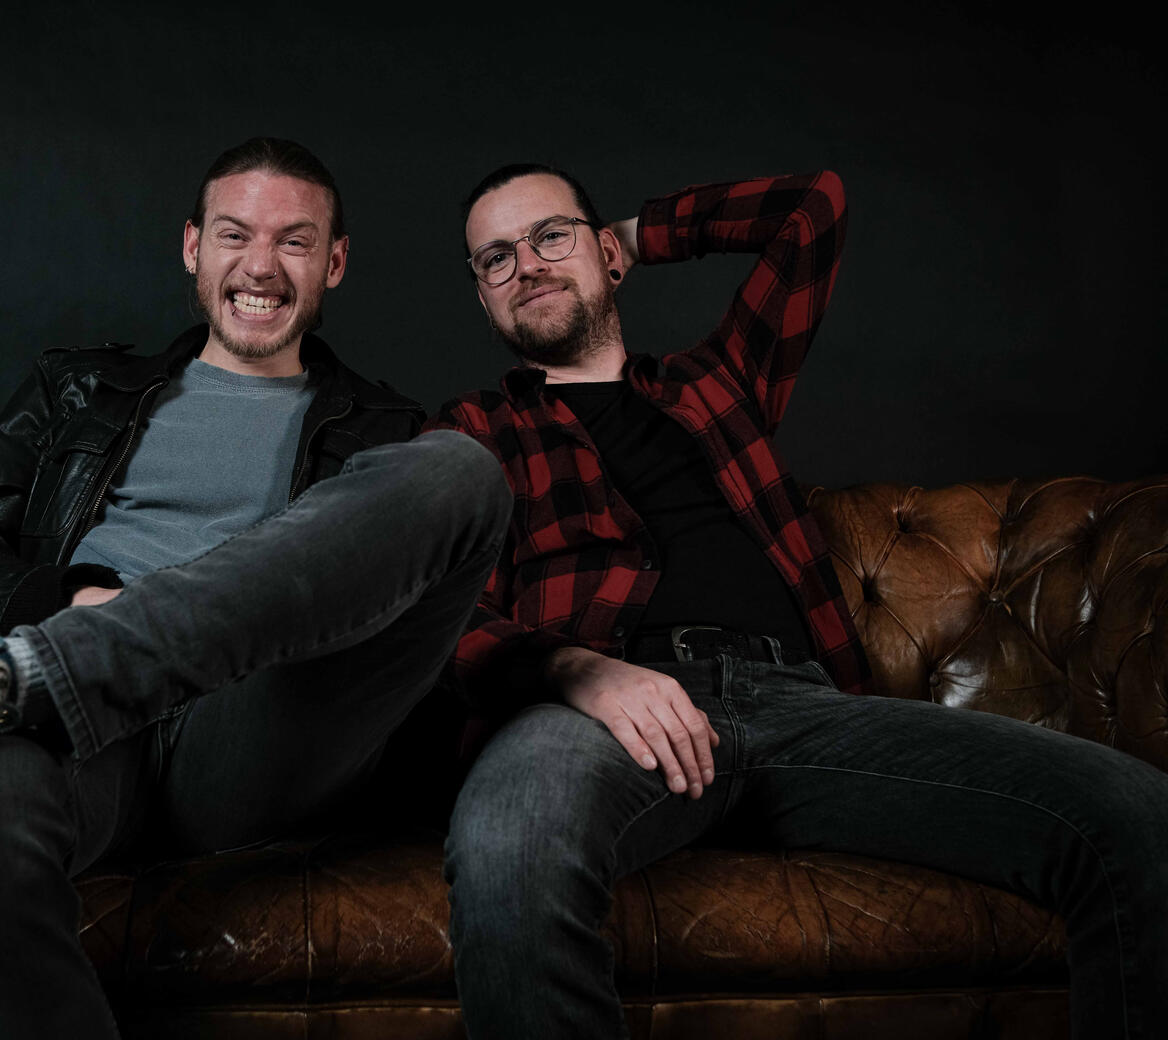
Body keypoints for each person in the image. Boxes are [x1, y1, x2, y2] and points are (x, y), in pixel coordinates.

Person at [0, 137, 510, 1040]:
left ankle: (27, 674)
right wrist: (73, 604)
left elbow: (418, 641)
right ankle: (39, 675)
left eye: (295, 241)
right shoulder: (76, 390)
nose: (261, 266)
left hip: (252, 728)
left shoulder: (385, 428)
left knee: (460, 469)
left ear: (334, 262)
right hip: (78, 737)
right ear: (193, 247)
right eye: (235, 234)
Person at [428, 164, 1167, 1039]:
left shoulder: (721, 384)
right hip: (605, 718)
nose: (528, 265)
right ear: (482, 296)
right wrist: (575, 670)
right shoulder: (470, 434)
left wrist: (633, 233)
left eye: (551, 236)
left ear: (607, 257)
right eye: (497, 259)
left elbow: (812, 209)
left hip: (806, 711)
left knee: (1135, 814)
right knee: (510, 837)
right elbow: (436, 616)